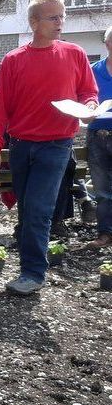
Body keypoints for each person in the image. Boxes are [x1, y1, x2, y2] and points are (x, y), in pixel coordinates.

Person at [0, 0, 98, 295]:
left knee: (38, 209)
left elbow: (89, 91)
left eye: (62, 16)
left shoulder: (75, 54)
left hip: (57, 145)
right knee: (27, 209)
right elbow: (0, 109)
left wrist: (89, 106)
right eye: (53, 17)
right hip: (21, 146)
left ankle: (33, 273)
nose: (61, 22)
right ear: (34, 23)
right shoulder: (13, 60)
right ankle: (29, 260)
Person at [85, 25, 112, 250]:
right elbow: (85, 98)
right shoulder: (94, 70)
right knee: (102, 189)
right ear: (108, 44)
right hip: (97, 134)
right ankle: (105, 233)